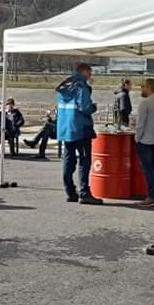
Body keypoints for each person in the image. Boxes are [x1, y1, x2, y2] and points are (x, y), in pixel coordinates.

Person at [56, 63, 103, 205]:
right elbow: (85, 107)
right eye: (90, 72)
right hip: (80, 128)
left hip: (65, 128)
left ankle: (70, 191)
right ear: (84, 71)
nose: (91, 75)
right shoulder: (80, 86)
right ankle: (84, 192)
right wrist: (94, 107)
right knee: (84, 161)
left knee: (68, 160)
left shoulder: (64, 87)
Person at [134, 78, 154, 206]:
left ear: (149, 87)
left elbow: (140, 124)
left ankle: (152, 196)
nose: (142, 89)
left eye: (143, 87)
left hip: (145, 140)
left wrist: (137, 138)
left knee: (148, 170)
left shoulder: (145, 102)